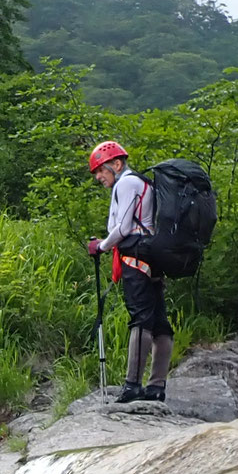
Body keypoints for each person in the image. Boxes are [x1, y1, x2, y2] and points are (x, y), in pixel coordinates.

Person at [85, 140, 173, 404]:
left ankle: (132, 386)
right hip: (151, 254)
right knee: (158, 321)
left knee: (140, 318)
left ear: (117, 164)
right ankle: (156, 386)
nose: (99, 177)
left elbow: (123, 227)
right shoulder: (144, 182)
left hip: (134, 254)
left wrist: (100, 246)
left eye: (101, 170)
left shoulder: (126, 183)